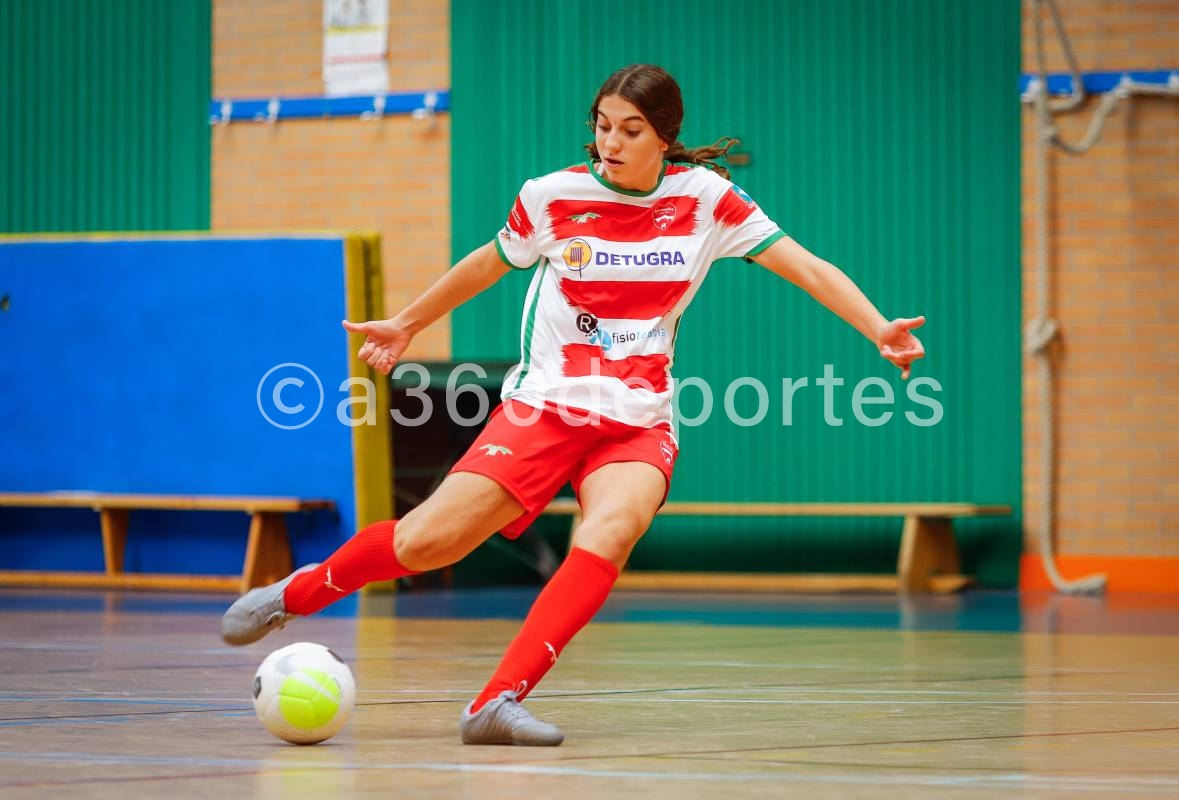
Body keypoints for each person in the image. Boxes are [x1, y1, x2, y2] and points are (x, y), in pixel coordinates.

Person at [221, 63, 926, 747]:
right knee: (427, 543)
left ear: (664, 137)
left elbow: (804, 265)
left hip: (638, 419)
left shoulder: (707, 200)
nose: (611, 143)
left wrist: (877, 328)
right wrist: (408, 322)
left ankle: (497, 701)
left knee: (612, 531)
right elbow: (486, 262)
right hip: (542, 409)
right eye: (603, 127)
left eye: (630, 130)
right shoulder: (551, 196)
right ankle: (301, 592)